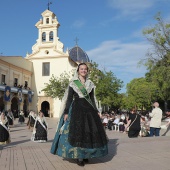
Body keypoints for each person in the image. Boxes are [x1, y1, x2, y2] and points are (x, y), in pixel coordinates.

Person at [50, 63, 108, 167]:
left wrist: (97, 111)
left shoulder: (91, 83)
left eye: (85, 69)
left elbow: (92, 99)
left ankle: (86, 155)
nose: (83, 71)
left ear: (87, 71)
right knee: (78, 132)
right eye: (81, 69)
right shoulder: (73, 83)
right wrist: (66, 112)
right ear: (78, 70)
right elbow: (69, 99)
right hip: (77, 109)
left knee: (88, 132)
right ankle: (79, 157)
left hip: (89, 110)